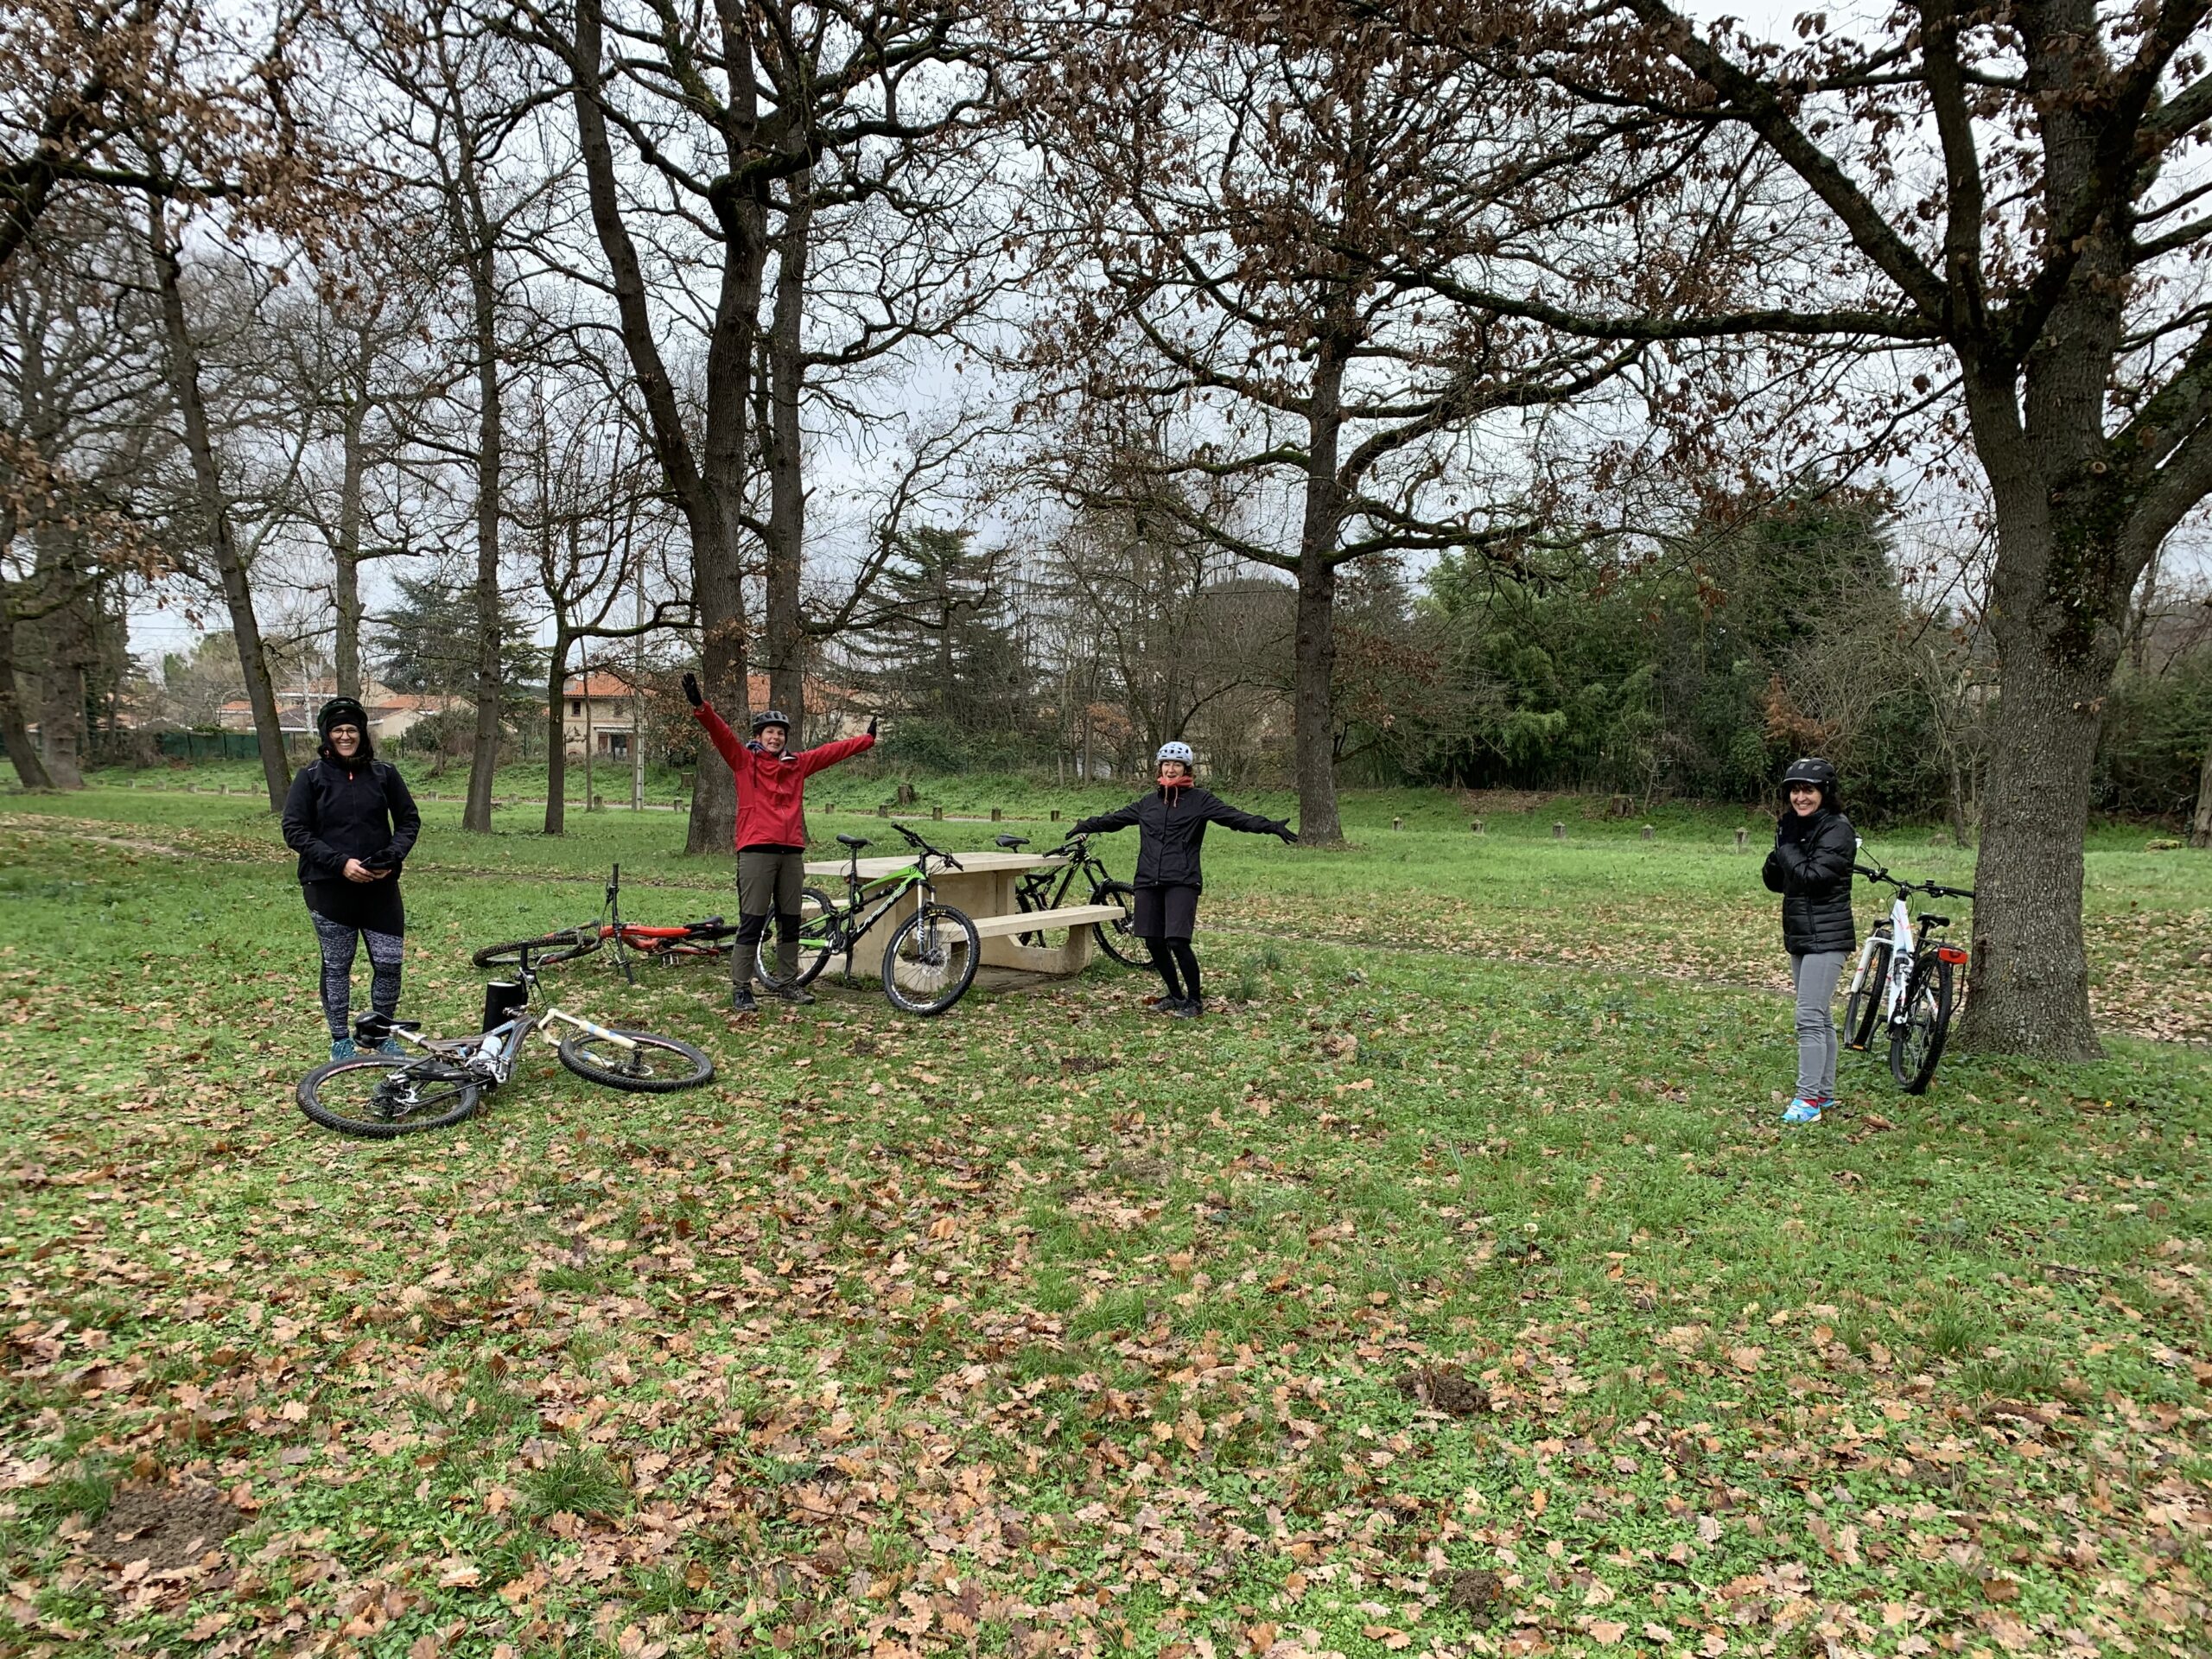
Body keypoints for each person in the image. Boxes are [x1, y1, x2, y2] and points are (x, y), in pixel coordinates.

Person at [683, 674, 876, 1014]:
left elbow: (831, 752)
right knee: (753, 921)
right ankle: (742, 987)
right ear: (759, 737)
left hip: (791, 853)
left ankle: (788, 983)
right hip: (756, 851)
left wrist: (866, 740)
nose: (775, 737)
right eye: (769, 732)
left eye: (781, 733)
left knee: (790, 921)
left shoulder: (797, 765)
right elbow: (720, 733)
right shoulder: (745, 761)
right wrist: (701, 706)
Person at [1071, 741, 1295, 1020]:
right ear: (1160, 767)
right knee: (1153, 942)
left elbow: (1235, 818)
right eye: (1166, 764)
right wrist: (1085, 825)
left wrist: (1270, 826)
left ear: (1186, 769)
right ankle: (1175, 995)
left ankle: (1194, 1000)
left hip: (1182, 880)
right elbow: (1115, 820)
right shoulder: (1148, 803)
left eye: (1176, 764)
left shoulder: (1201, 801)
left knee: (1177, 940)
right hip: (1148, 879)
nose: (1171, 768)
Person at [281, 697, 421, 1059]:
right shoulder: (309, 777)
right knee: (337, 965)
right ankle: (340, 1039)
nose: (345, 736)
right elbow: (295, 830)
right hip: (328, 889)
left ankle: (381, 1034)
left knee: (389, 964)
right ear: (327, 735)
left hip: (380, 888)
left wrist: (392, 856)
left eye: (351, 730)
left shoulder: (384, 774)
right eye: (337, 730)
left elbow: (409, 820)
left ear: (362, 734)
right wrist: (340, 863)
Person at [1761, 755, 1857, 1124]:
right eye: (1795, 791)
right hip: (1802, 934)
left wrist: (1787, 848)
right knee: (1819, 1016)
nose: (1800, 798)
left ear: (1825, 793)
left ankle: (1807, 1101)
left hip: (1827, 937)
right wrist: (1779, 850)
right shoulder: (1798, 829)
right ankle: (1824, 1094)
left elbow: (1813, 877)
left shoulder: (1837, 830)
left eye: (1809, 790)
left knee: (1808, 1019)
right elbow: (1778, 881)